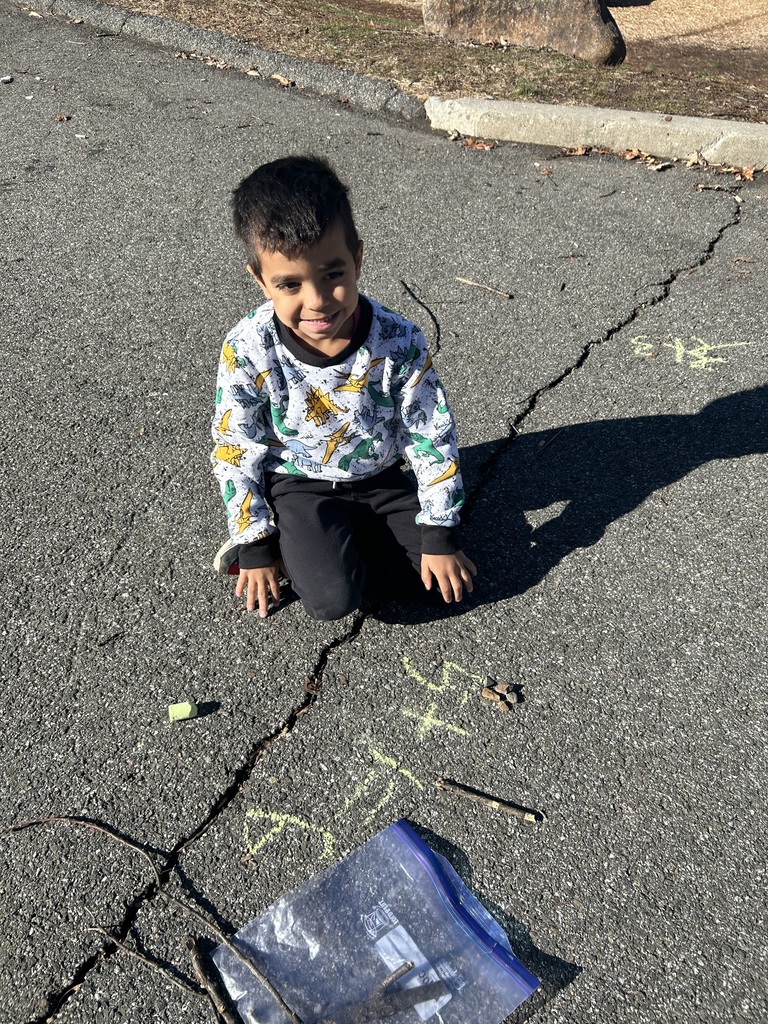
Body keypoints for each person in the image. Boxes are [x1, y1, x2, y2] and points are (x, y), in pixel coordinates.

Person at [211, 155, 476, 620]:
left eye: (333, 274)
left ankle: (335, 547)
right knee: (332, 601)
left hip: (381, 477)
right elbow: (236, 443)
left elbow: (430, 433)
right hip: (299, 483)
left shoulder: (399, 340)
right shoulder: (248, 346)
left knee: (443, 588)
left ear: (357, 259)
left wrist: (439, 533)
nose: (316, 301)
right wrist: (254, 542)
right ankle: (296, 539)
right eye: (289, 284)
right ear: (260, 280)